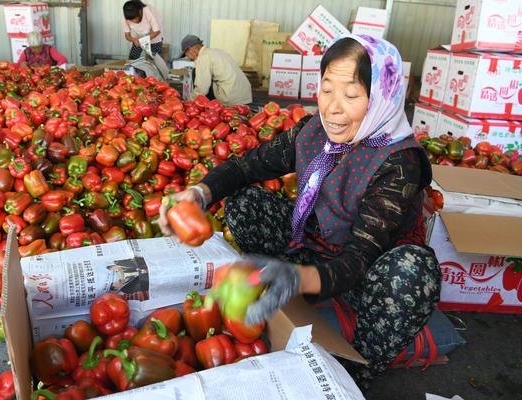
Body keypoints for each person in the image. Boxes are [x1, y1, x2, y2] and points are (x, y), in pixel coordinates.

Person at [159, 35, 440, 390]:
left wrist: (296, 278)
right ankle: (283, 300)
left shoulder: (399, 162)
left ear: (383, 96)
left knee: (414, 272)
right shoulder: (313, 133)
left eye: (351, 96)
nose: (333, 108)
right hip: (314, 250)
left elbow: (360, 259)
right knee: (244, 203)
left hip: (368, 278)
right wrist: (200, 193)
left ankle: (356, 374)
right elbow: (248, 166)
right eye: (326, 90)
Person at [180, 34, 252, 106]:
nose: (189, 58)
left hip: (230, 98)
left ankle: (209, 107)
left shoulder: (203, 57)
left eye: (187, 54)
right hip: (245, 96)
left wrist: (190, 102)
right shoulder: (216, 51)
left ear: (191, 50)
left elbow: (202, 89)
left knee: (196, 73)